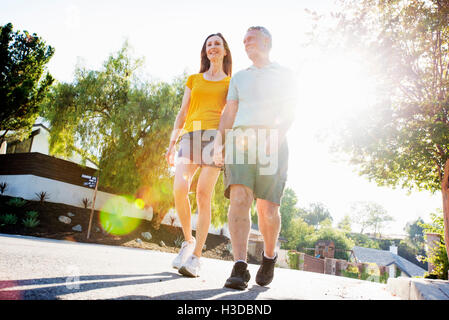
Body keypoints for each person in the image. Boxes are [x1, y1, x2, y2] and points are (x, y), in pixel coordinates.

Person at [214, 26, 297, 290]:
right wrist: (219, 143)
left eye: (250, 38)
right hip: (241, 141)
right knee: (239, 197)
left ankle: (269, 257)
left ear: (267, 41)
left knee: (268, 209)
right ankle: (239, 266)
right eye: (244, 40)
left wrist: (277, 135)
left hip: (271, 140)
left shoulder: (285, 75)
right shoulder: (239, 77)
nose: (245, 43)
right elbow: (230, 111)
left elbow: (289, 110)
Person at [165, 33, 232, 278]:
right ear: (205, 52)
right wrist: (172, 143)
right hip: (189, 137)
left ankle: (196, 258)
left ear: (225, 51)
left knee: (204, 194)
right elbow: (183, 112)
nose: (213, 47)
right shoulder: (193, 79)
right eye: (209, 44)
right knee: (179, 189)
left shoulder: (230, 83)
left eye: (217, 44)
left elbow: (230, 116)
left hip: (214, 139)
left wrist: (223, 146)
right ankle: (187, 241)